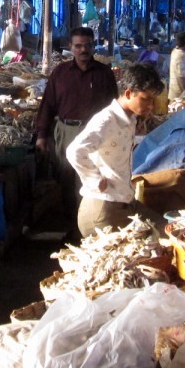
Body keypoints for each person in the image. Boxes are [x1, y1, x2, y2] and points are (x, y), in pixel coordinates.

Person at [34, 26, 119, 235]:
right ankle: (71, 227)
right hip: (66, 132)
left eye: (87, 46)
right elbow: (47, 105)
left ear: (93, 46)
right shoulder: (60, 73)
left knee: (90, 182)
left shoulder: (104, 74)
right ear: (70, 47)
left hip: (95, 135)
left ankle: (88, 231)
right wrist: (42, 135)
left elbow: (114, 108)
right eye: (78, 46)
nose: (83, 50)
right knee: (66, 179)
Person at [66, 63, 164, 237]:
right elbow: (74, 150)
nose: (150, 105)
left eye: (152, 100)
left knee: (166, 230)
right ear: (128, 93)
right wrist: (94, 178)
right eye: (145, 99)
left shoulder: (130, 118)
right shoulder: (106, 120)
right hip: (103, 210)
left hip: (125, 202)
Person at [167, 31, 185, 101]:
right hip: (181, 95)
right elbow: (183, 76)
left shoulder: (174, 51)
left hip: (174, 92)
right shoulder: (182, 55)